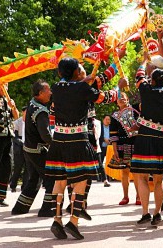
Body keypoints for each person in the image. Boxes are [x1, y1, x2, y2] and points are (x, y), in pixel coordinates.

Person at [45, 57, 124, 240]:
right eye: (80, 70)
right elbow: (104, 97)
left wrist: (84, 80)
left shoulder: (56, 88)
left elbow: (75, 86)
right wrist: (119, 87)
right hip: (78, 140)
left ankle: (57, 220)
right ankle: (73, 221)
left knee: (60, 180)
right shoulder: (82, 89)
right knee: (81, 181)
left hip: (59, 140)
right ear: (75, 73)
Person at [131, 58, 163, 226]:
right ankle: (157, 213)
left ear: (152, 80)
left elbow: (139, 76)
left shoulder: (146, 90)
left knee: (143, 178)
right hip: (161, 140)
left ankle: (145, 213)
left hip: (144, 137)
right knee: (158, 180)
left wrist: (145, 61)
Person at [11, 80, 55, 217]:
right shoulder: (41, 111)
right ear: (40, 93)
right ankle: (47, 209)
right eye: (48, 90)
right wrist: (55, 145)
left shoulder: (32, 104)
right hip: (38, 150)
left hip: (29, 149)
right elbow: (45, 134)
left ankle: (20, 208)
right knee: (51, 179)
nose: (50, 93)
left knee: (34, 180)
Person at [108, 92, 141, 205]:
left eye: (123, 98)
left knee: (136, 172)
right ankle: (125, 196)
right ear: (116, 102)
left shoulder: (135, 111)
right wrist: (115, 150)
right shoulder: (115, 116)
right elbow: (113, 134)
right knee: (124, 172)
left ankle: (139, 196)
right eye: (119, 98)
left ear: (128, 100)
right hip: (122, 146)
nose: (121, 99)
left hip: (136, 145)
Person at [10, 106, 28, 193]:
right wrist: (22, 143)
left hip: (28, 145)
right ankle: (13, 185)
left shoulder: (31, 122)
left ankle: (24, 187)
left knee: (28, 168)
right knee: (18, 167)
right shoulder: (17, 122)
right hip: (19, 146)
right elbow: (14, 137)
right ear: (22, 112)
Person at [98, 115, 112, 187]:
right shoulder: (100, 126)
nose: (108, 121)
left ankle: (110, 177)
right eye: (106, 119)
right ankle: (101, 177)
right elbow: (99, 136)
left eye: (109, 119)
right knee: (101, 161)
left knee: (109, 162)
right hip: (102, 146)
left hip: (110, 147)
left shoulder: (111, 127)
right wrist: (104, 139)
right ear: (103, 120)